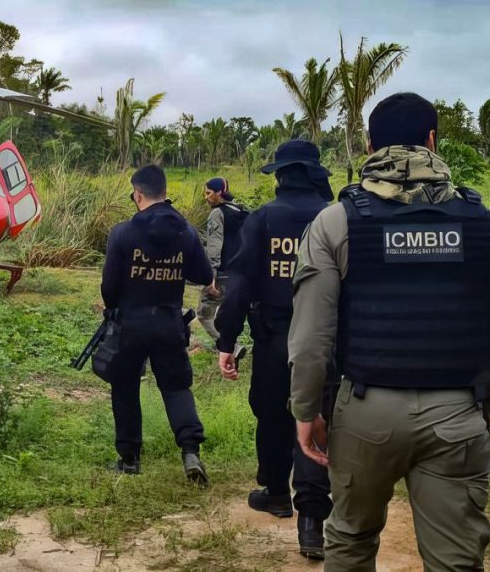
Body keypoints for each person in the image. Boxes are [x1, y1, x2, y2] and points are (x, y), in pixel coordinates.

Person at [289, 92, 490, 571]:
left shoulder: (337, 221)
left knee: (351, 540)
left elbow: (312, 338)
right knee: (456, 559)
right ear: (432, 141)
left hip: (364, 414)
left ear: (367, 145)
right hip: (457, 411)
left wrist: (304, 410)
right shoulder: (485, 224)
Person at [215, 139, 334, 560]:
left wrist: (225, 340)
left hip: (274, 336)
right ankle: (314, 518)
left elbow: (240, 285)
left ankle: (277, 491)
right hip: (328, 340)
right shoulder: (335, 217)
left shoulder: (263, 218)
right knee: (317, 417)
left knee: (271, 413)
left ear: (281, 175)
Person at [100, 164, 214, 484]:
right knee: (176, 387)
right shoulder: (186, 231)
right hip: (169, 322)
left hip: (131, 323)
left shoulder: (122, 232)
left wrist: (116, 307)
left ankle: (130, 459)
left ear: (138, 194)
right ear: (164, 192)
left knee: (124, 387)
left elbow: (109, 288)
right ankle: (190, 451)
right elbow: (204, 276)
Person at [197, 177, 248, 361]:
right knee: (234, 312)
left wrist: (211, 276)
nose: (206, 197)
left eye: (209, 193)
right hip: (241, 274)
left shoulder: (217, 214)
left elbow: (214, 246)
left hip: (223, 273)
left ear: (219, 192)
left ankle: (231, 347)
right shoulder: (242, 211)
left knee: (204, 312)